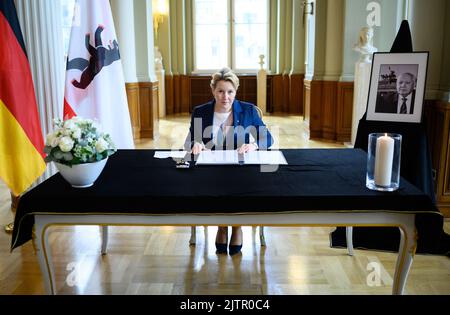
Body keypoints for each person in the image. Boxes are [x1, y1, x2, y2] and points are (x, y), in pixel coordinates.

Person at [184, 67, 273, 256]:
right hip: (211, 168)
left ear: (236, 91)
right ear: (213, 91)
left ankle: (237, 226)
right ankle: (222, 226)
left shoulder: (248, 110)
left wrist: (254, 146)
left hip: (241, 167)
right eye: (221, 91)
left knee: (240, 184)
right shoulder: (201, 112)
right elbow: (189, 141)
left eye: (230, 92)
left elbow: (268, 139)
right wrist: (196, 144)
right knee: (214, 185)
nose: (226, 97)